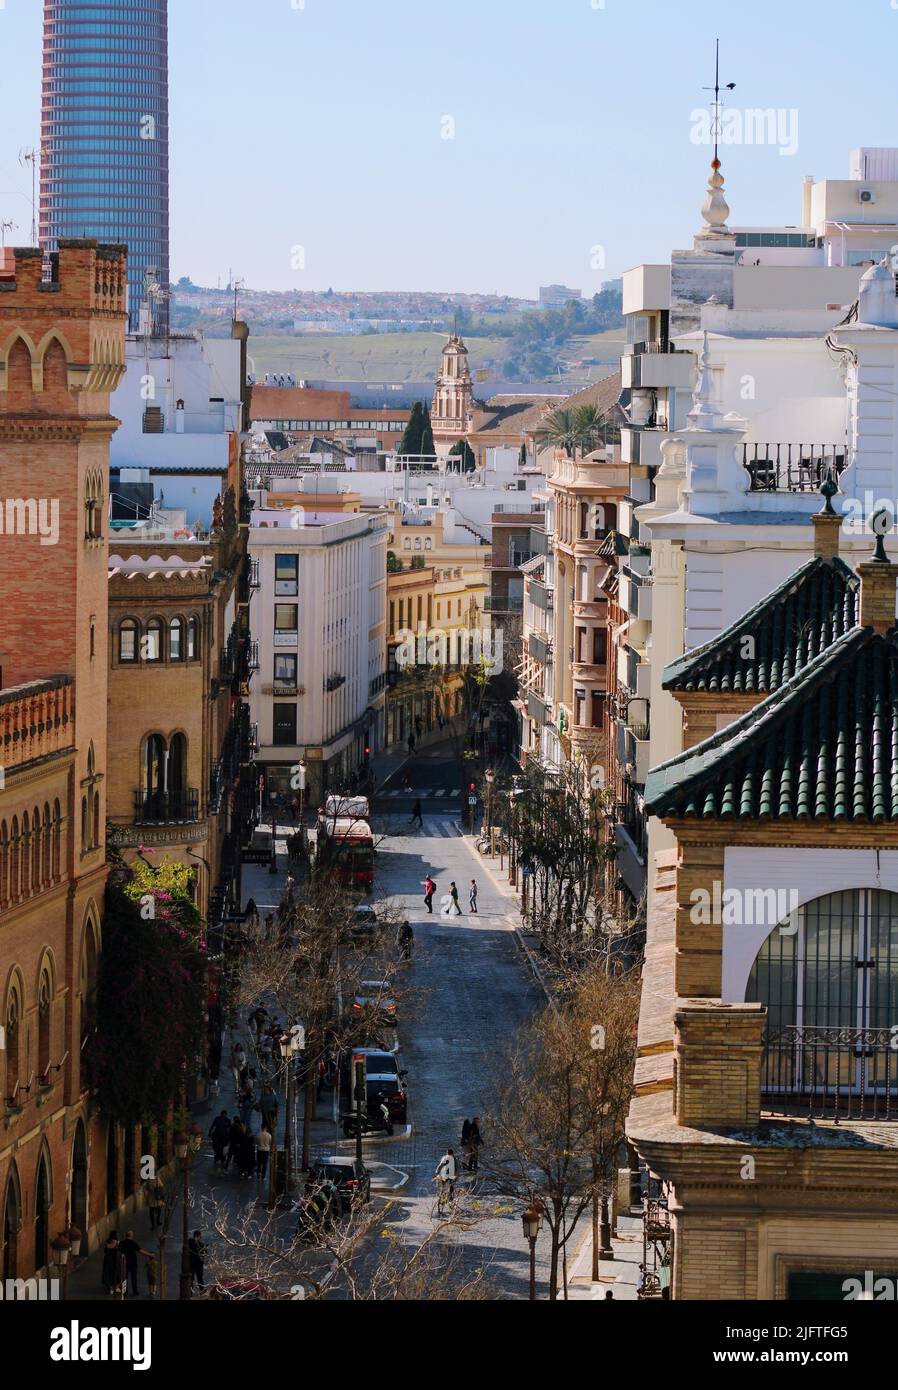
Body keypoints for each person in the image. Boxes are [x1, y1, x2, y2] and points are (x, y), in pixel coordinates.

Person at [118, 1231, 144, 1299]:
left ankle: (125, 1292)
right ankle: (135, 1292)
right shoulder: (133, 1243)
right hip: (133, 1263)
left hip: (125, 1263)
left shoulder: (122, 1243)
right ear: (131, 1236)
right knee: (134, 1278)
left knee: (124, 1278)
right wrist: (150, 1254)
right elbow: (141, 1251)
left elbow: (119, 1251)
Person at [101, 1232, 121, 1297]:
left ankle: (111, 1287)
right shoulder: (116, 1243)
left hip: (108, 1260)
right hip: (112, 1260)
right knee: (113, 1273)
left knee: (109, 1273)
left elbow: (106, 1250)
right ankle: (113, 1287)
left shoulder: (108, 1243)